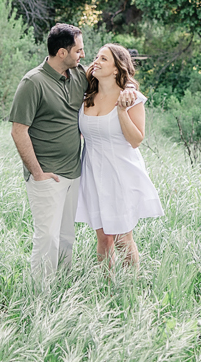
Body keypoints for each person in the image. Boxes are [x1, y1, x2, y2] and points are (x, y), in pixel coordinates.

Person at [9, 24, 134, 279]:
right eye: (79, 50)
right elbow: (18, 131)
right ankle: (40, 295)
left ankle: (63, 290)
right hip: (46, 175)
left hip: (75, 173)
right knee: (47, 238)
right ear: (62, 52)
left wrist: (130, 90)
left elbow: (112, 80)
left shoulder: (78, 75)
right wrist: (37, 172)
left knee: (67, 236)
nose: (84, 56)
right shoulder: (32, 83)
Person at [75, 43, 164, 269]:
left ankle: (131, 290)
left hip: (120, 173)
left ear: (116, 69)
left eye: (104, 58)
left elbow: (136, 140)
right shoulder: (85, 96)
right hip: (93, 172)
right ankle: (108, 290)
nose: (96, 61)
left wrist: (121, 110)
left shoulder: (131, 98)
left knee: (123, 239)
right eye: (96, 57)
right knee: (104, 240)